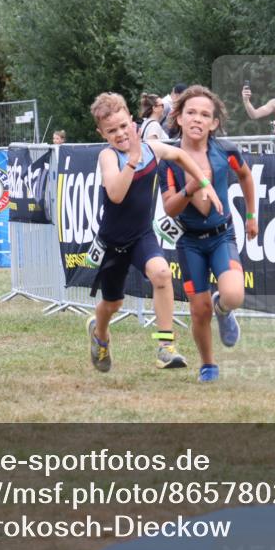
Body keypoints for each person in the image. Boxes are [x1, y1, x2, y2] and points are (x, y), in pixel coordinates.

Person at [87, 92, 223, 374]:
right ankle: (99, 334)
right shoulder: (108, 156)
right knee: (113, 303)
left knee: (162, 273)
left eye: (124, 126)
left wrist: (203, 182)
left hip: (141, 236)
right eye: (111, 131)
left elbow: (180, 154)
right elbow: (115, 194)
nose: (120, 134)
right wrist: (132, 160)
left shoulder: (151, 148)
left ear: (133, 122)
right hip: (113, 243)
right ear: (102, 133)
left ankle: (165, 346)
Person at [157, 86, 258, 382]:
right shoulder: (169, 159)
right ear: (178, 118)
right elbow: (170, 209)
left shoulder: (226, 152)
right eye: (191, 113)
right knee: (199, 310)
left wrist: (251, 215)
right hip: (189, 242)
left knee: (233, 294)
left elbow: (246, 177)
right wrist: (193, 187)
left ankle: (223, 309)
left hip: (222, 236)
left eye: (205, 114)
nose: (197, 119)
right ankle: (208, 365)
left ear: (214, 122)